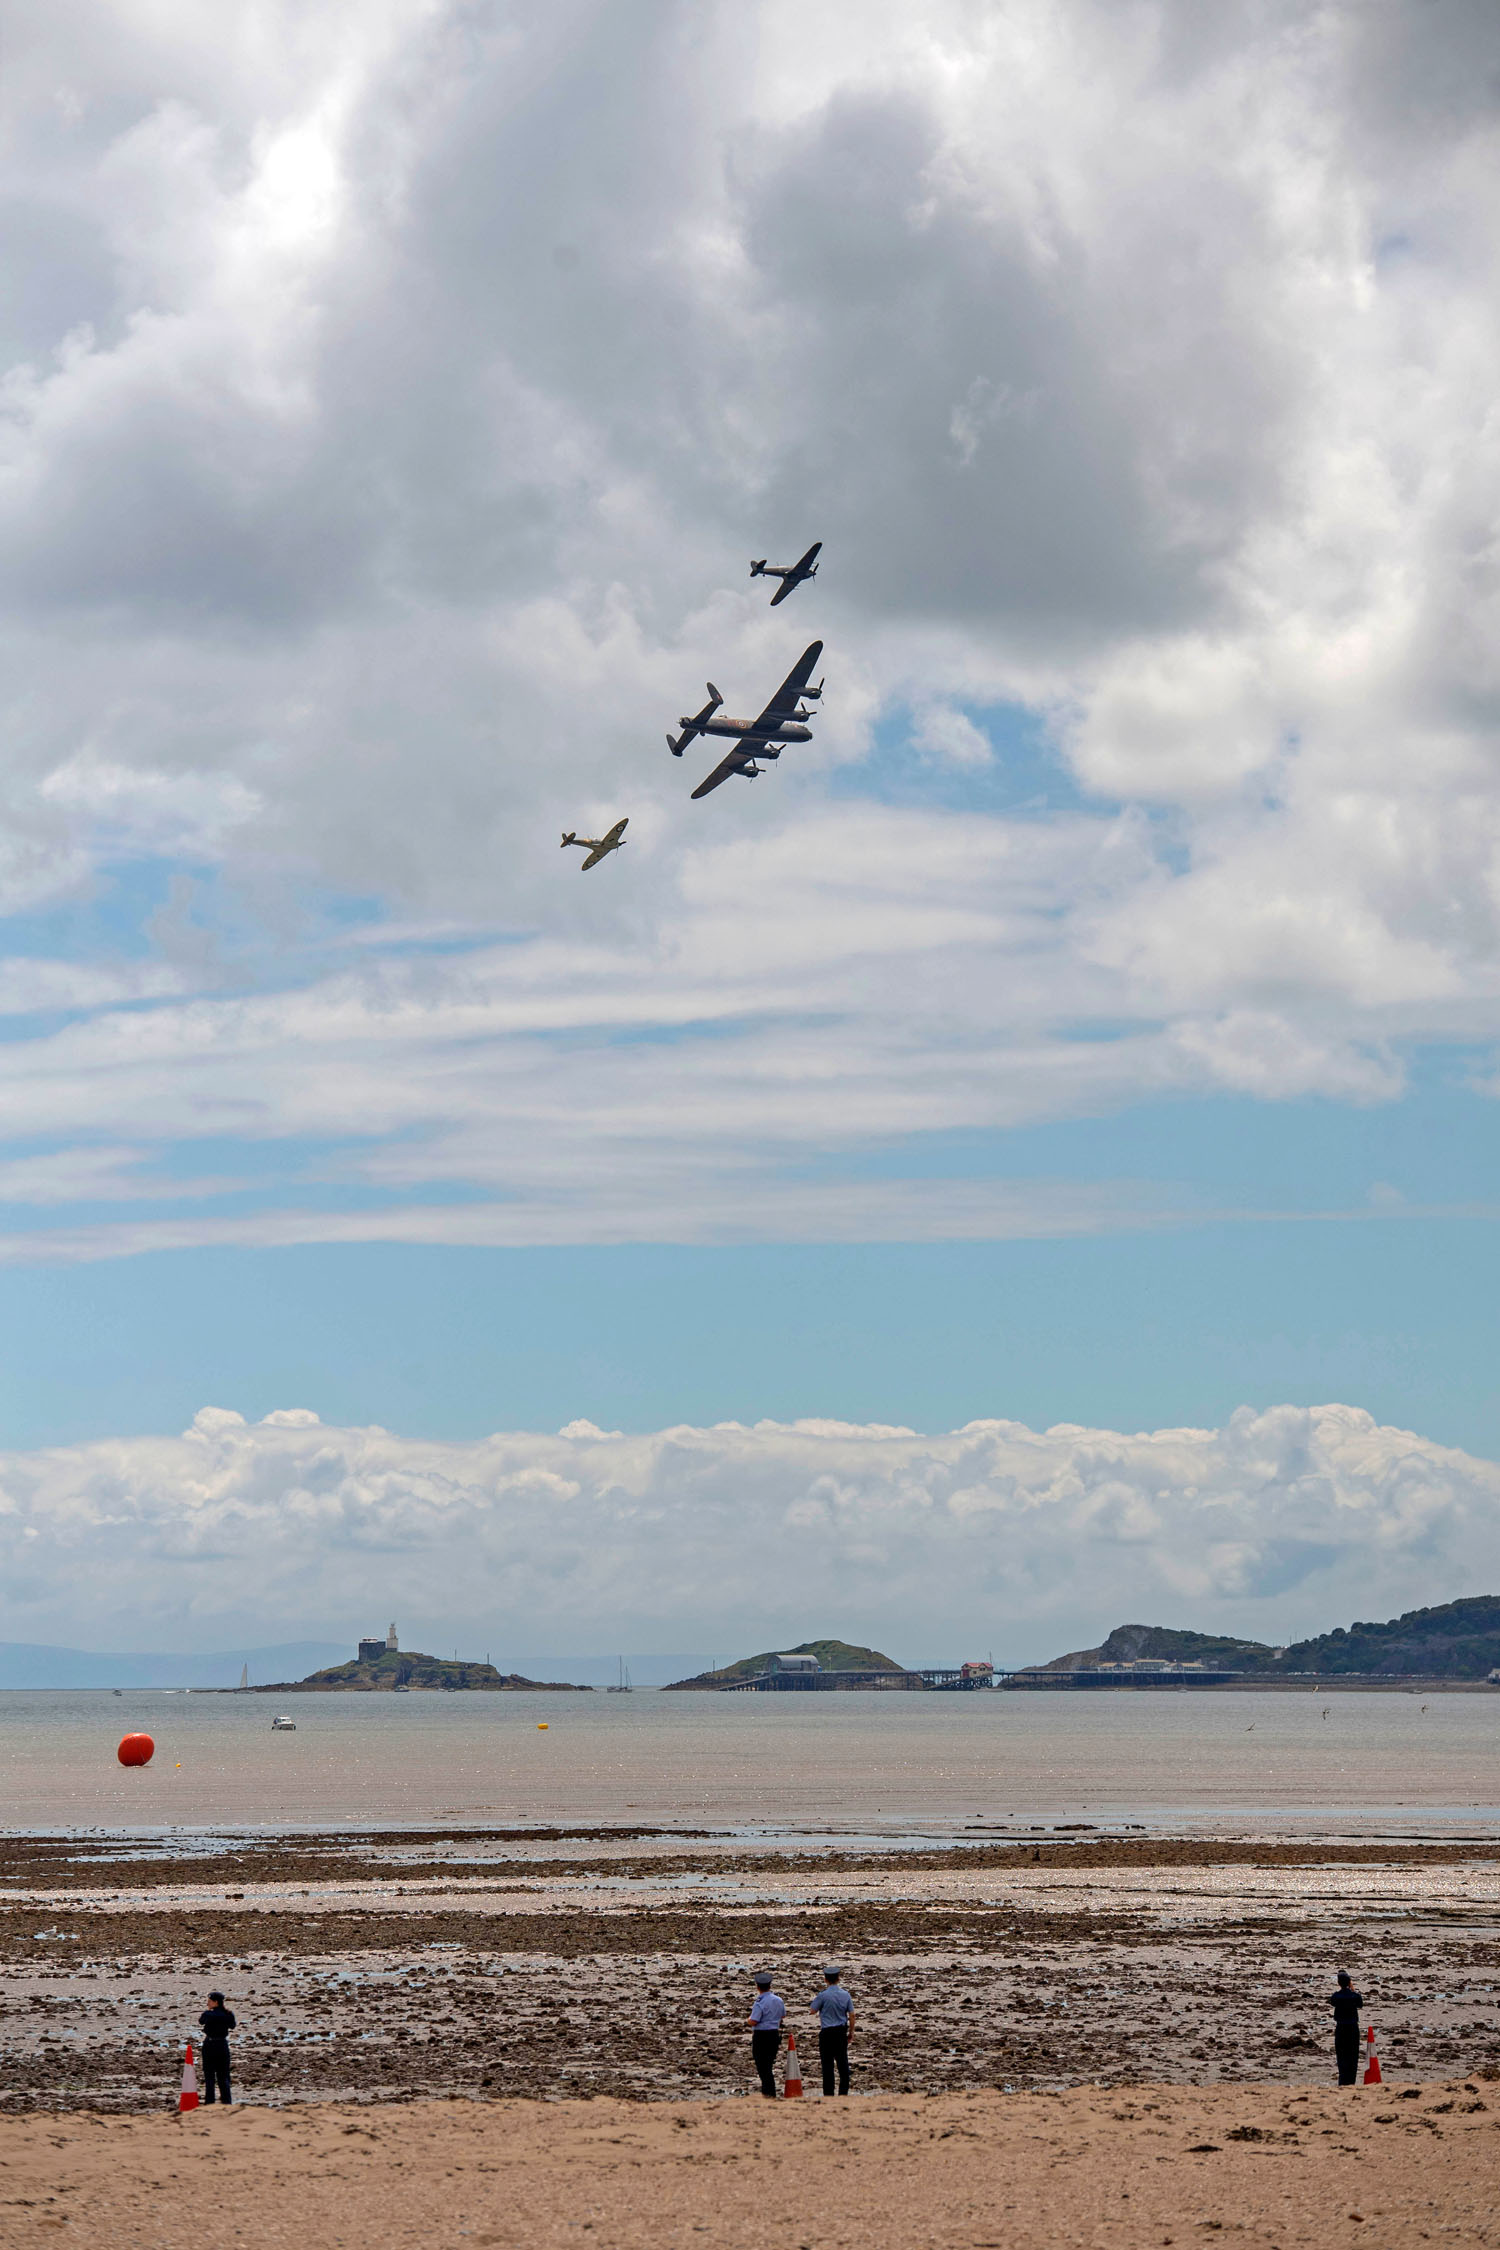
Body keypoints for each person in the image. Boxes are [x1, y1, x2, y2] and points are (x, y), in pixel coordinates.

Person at [809, 1965, 854, 2096]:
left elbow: (812, 2010)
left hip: (827, 2033)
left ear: (825, 1980)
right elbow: (852, 2015)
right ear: (838, 1979)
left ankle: (828, 2096)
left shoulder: (822, 1995)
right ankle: (843, 2094)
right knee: (843, 2065)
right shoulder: (845, 1995)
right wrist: (851, 2033)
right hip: (840, 2032)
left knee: (827, 2067)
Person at [746, 1972, 785, 2099]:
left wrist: (747, 2020)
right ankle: (769, 2092)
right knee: (768, 2065)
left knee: (763, 2068)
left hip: (761, 2036)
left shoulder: (759, 2002)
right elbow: (783, 2015)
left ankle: (768, 2093)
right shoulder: (778, 2000)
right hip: (774, 2034)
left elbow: (754, 2020)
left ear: (758, 1986)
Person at [199, 1989, 237, 2105]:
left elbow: (201, 2021)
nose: (208, 2003)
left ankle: (209, 2102)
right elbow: (232, 2025)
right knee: (223, 2075)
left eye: (210, 2001)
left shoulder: (208, 2014)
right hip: (222, 2045)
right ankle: (226, 2101)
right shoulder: (228, 2014)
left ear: (216, 2002)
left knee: (209, 2075)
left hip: (210, 2044)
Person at [1330, 1968, 1363, 2086]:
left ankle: (1343, 2081)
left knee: (1342, 2056)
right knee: (1353, 2056)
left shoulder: (1336, 1996)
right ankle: (1351, 2081)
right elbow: (1360, 2004)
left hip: (1341, 2028)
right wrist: (1352, 1989)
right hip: (1353, 2028)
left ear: (1339, 1983)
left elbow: (1332, 2002)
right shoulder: (1355, 1996)